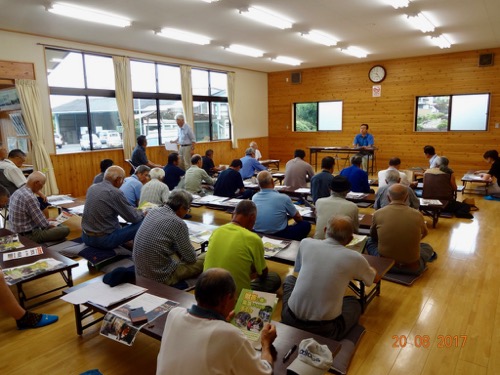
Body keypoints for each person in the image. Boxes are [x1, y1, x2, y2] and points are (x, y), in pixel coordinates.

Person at [156, 269, 276, 375]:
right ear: (225, 299)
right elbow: (264, 372)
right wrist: (266, 344)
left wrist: (222, 322)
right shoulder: (230, 335)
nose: (235, 301)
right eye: (234, 297)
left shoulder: (174, 313)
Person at [281, 216, 376, 340]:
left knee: (289, 280)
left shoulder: (306, 243)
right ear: (350, 239)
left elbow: (298, 270)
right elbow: (371, 280)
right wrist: (372, 270)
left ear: (325, 230)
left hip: (289, 317)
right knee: (355, 302)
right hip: (324, 329)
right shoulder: (355, 258)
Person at [204, 201, 281, 295]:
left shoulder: (216, 231)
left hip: (207, 291)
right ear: (252, 218)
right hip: (234, 297)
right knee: (274, 278)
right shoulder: (253, 238)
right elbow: (263, 273)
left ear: (232, 215)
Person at [133, 190, 205, 286]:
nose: (187, 212)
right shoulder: (178, 223)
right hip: (160, 277)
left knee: (175, 250)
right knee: (206, 257)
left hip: (140, 272)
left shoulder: (153, 211)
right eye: (188, 209)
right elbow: (191, 258)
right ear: (180, 208)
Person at [367, 184, 436, 275]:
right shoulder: (417, 214)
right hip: (412, 268)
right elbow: (425, 233)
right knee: (427, 247)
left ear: (388, 197)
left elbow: (373, 236)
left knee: (369, 241)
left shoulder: (378, 213)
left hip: (385, 265)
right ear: (406, 197)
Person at [82, 166, 144, 250]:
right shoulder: (114, 192)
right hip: (104, 240)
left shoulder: (92, 188)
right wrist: (143, 212)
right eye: (123, 180)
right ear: (119, 180)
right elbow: (133, 218)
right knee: (144, 222)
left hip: (85, 237)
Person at [9, 171, 70, 243]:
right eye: (42, 184)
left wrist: (48, 221)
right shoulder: (30, 197)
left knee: (54, 223)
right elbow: (44, 225)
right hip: (28, 235)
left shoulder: (17, 192)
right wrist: (51, 224)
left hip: (15, 231)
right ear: (36, 183)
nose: (42, 187)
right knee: (65, 229)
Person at [252, 171, 311, 241]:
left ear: (258, 184)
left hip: (258, 233)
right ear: (272, 182)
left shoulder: (254, 197)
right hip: (279, 234)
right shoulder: (283, 198)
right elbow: (297, 217)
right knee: (305, 225)